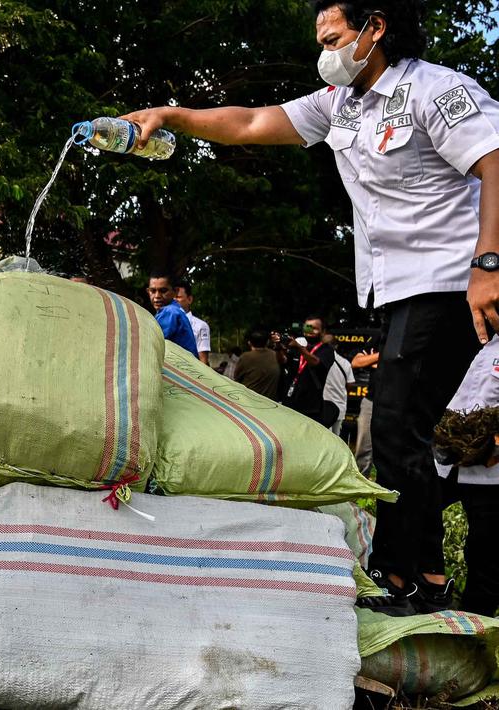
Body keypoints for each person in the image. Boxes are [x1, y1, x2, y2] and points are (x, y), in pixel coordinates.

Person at [123, 0, 499, 613]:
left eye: (334, 37)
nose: (325, 52)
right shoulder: (338, 105)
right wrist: (169, 115)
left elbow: (494, 159)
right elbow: (247, 123)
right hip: (399, 287)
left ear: (375, 27)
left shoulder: (437, 89)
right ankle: (421, 575)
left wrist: (489, 263)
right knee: (404, 428)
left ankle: (410, 579)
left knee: (399, 425)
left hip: (452, 277)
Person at [431, 337, 499, 615]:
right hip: (445, 456)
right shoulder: (468, 335)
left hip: (492, 469)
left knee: (486, 551)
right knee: (418, 516)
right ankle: (430, 590)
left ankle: (475, 625)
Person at [285, 316, 337, 427]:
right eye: (307, 328)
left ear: (322, 331)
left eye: (314, 328)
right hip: (290, 403)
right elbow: (284, 361)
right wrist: (278, 346)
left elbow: (316, 362)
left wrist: (300, 348)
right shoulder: (297, 347)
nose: (309, 331)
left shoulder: (326, 350)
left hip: (311, 407)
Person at [146, 274, 197, 355]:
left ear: (175, 292)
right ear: (148, 291)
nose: (157, 296)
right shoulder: (175, 311)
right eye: (152, 291)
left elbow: (149, 346)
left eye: (163, 291)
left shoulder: (169, 312)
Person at [233, 329, 285, 400]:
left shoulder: (246, 357)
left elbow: (236, 377)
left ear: (249, 343)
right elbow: (284, 360)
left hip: (249, 400)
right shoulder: (274, 355)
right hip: (270, 402)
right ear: (267, 342)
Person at [322, 332, 357, 436]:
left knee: (323, 436)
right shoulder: (345, 363)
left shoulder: (318, 360)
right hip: (340, 407)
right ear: (336, 345)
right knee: (336, 437)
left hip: (323, 407)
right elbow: (350, 384)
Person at [353, 348, 380, 473]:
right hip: (371, 400)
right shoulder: (377, 337)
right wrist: (382, 356)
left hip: (397, 402)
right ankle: (360, 482)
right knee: (363, 447)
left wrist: (371, 359)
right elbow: (356, 362)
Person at [173, 277, 212, 364]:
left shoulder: (200, 326)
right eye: (172, 298)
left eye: (178, 297)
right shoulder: (163, 322)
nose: (174, 301)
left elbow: (203, 360)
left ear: (189, 299)